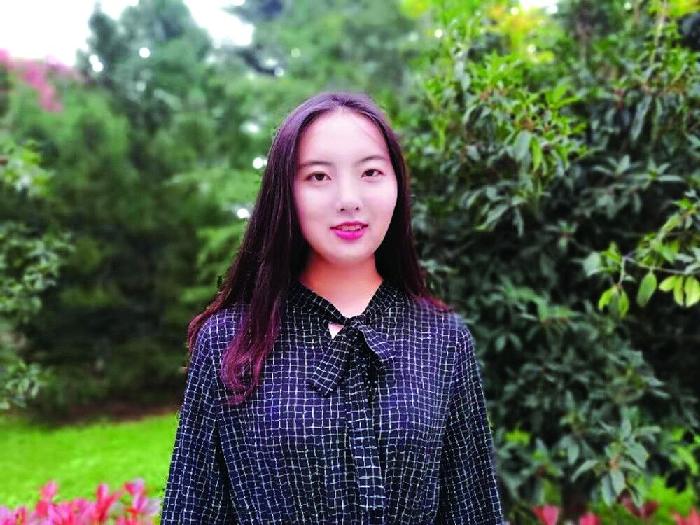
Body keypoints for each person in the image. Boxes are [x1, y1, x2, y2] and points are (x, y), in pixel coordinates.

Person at [160, 91, 504, 524]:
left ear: (397, 185)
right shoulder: (229, 341)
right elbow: (190, 511)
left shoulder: (442, 338)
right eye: (319, 176)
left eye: (371, 172)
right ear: (286, 193)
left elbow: (474, 510)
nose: (348, 199)